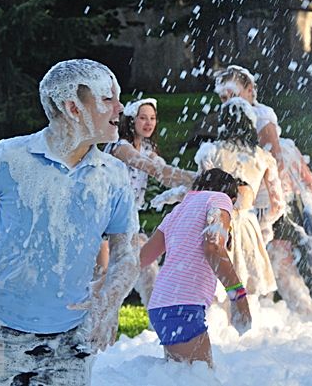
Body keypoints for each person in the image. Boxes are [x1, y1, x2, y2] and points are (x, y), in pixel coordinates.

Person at [0, 59, 139, 386]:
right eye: (108, 99)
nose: (121, 107)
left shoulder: (113, 176)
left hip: (70, 339)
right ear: (72, 107)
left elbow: (126, 252)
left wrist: (110, 298)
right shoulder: (11, 156)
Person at [213, 65, 312, 315]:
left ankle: (304, 314)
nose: (228, 102)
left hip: (269, 200)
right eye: (223, 98)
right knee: (261, 261)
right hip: (253, 202)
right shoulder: (236, 117)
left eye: (232, 96)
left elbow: (273, 162)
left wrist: (266, 206)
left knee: (276, 259)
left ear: (249, 91)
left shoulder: (260, 117)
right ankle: (270, 314)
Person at [140, 168, 251, 367]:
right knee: (200, 379)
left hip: (162, 305)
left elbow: (142, 258)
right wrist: (238, 296)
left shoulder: (180, 209)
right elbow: (213, 247)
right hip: (182, 307)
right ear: (232, 198)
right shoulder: (219, 199)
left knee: (182, 377)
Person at [194, 98, 284, 325]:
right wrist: (263, 225)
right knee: (246, 286)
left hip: (217, 221)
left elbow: (201, 192)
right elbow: (278, 205)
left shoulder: (210, 151)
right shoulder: (263, 158)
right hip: (247, 224)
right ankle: (244, 334)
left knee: (215, 284)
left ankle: (216, 336)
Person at [101, 97, 196, 308]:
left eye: (152, 118)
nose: (149, 123)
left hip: (127, 221)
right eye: (143, 118)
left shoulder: (146, 148)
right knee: (103, 281)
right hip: (103, 221)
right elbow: (154, 170)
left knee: (148, 270)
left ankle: (157, 322)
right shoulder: (121, 148)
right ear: (131, 120)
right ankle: (88, 331)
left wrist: (196, 180)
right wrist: (197, 177)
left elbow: (165, 174)